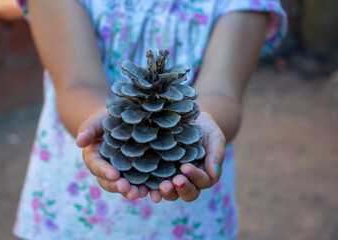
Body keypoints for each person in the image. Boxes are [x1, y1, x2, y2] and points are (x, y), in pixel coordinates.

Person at [14, 0, 287, 239]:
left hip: (190, 215)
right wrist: (99, 123)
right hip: (73, 206)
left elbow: (223, 93)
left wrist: (206, 122)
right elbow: (76, 83)